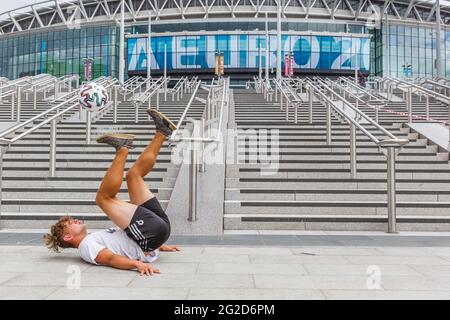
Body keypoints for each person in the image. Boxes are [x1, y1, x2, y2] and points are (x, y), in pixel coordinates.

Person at [44, 109, 180, 276]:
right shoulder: (87, 246)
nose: (76, 220)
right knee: (103, 199)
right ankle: (122, 148)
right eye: (71, 223)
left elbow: (125, 241)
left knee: (134, 176)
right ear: (67, 237)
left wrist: (158, 245)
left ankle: (162, 132)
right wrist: (137, 264)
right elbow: (109, 259)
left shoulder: (94, 238)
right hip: (151, 234)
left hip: (155, 232)